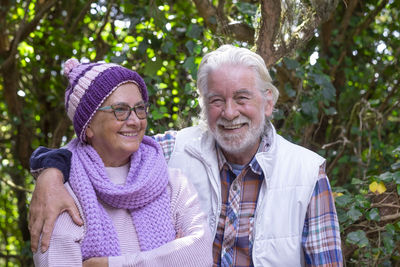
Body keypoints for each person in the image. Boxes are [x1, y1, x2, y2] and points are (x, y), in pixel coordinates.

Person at [30, 45, 343, 266]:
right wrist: (50, 172)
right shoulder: (166, 152)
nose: (230, 112)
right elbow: (104, 144)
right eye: (217, 100)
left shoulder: (305, 173)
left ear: (268, 102)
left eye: (242, 98)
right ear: (204, 107)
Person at [31, 58, 213, 266]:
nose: (135, 120)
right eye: (120, 110)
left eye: (140, 108)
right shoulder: (61, 193)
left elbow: (200, 257)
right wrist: (170, 257)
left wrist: (110, 264)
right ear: (88, 126)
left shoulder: (170, 181)